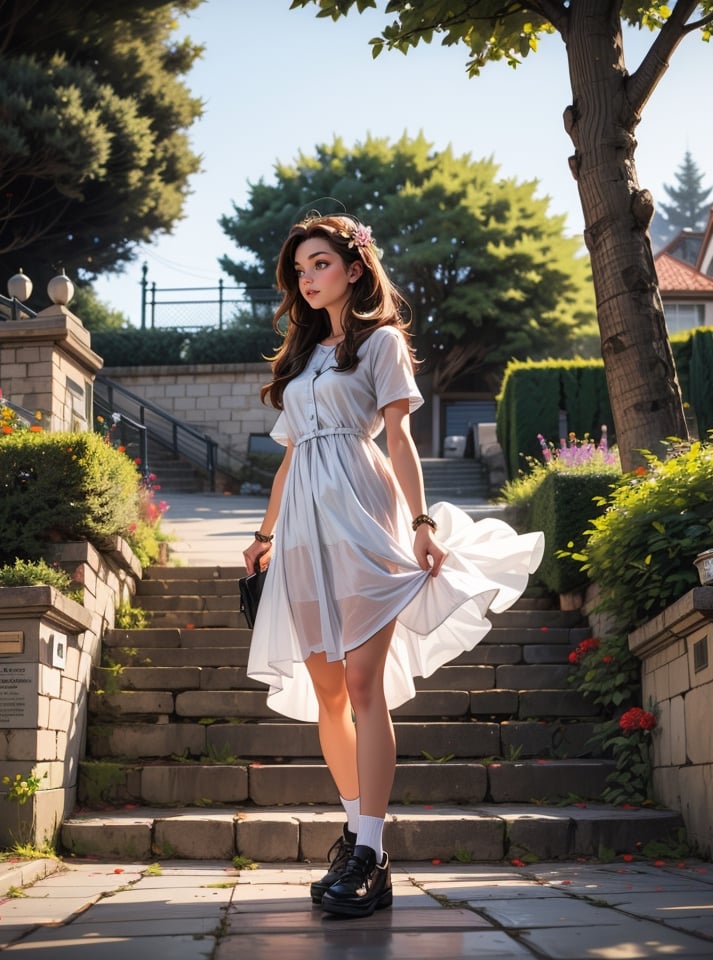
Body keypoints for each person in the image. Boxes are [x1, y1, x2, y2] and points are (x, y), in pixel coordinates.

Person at [243, 212, 544, 919]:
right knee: (325, 694)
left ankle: (372, 853)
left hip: (362, 516)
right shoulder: (303, 357)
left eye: (320, 264)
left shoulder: (381, 343)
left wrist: (420, 522)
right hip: (303, 534)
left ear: (354, 268)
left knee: (361, 682)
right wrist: (264, 533)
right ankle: (356, 835)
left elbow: (401, 438)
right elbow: (290, 456)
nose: (308, 278)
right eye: (300, 269)